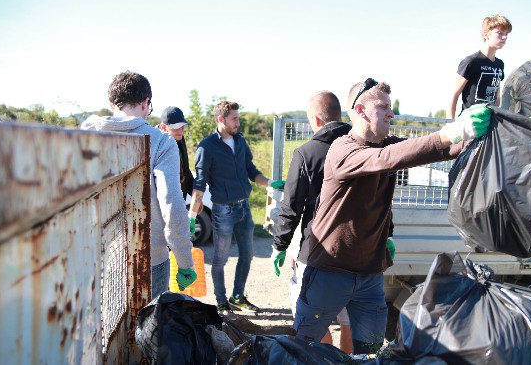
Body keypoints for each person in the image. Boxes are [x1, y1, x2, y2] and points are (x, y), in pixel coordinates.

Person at [294, 78, 492, 354]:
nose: (391, 112)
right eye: (383, 106)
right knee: (302, 349)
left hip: (370, 275)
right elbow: (386, 158)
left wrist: (468, 136)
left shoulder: (387, 146)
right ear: (360, 111)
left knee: (370, 353)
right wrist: (449, 133)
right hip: (329, 270)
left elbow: (426, 150)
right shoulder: (342, 148)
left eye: (391, 106)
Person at [80, 71, 197, 300]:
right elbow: (171, 204)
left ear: (111, 103)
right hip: (150, 258)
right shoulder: (162, 142)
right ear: (146, 103)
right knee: (147, 330)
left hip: (101, 256)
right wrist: (184, 259)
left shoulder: (86, 137)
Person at [271, 91, 353, 353]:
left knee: (306, 312)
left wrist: (280, 245)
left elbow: (291, 206)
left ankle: (328, 358)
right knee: (349, 316)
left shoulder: (307, 153)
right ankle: (349, 360)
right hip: (357, 248)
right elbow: (381, 199)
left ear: (316, 120)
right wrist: (388, 234)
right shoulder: (364, 149)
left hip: (319, 250)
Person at [190, 101, 284, 314]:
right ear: (220, 119)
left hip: (244, 209)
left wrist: (269, 183)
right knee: (220, 259)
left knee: (247, 254)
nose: (238, 123)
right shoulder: (207, 147)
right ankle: (221, 302)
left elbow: (250, 170)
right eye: (235, 119)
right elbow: (200, 182)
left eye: (238, 118)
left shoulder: (240, 141)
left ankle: (237, 297)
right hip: (223, 211)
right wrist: (191, 216)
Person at [448, 14, 512, 119]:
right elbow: (454, 95)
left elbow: (497, 97)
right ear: (486, 34)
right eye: (499, 33)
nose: (504, 37)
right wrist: (450, 125)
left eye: (506, 34)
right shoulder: (471, 61)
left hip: (489, 123)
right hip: (469, 123)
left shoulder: (500, 64)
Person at [158, 106, 194, 200]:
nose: (180, 130)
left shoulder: (179, 137)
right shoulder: (155, 145)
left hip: (181, 200)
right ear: (163, 127)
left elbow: (185, 170)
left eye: (182, 126)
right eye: (176, 127)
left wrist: (194, 194)